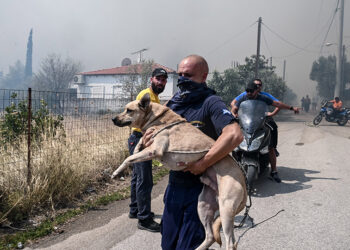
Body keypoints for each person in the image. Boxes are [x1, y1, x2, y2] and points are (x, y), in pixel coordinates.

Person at [143, 55, 243, 249]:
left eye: (188, 75)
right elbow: (157, 130)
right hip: (174, 187)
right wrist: (149, 139)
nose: (182, 79)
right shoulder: (175, 102)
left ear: (203, 76)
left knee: (187, 246)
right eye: (179, 74)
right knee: (168, 244)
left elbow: (234, 135)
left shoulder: (211, 102)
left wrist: (203, 163)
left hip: (200, 190)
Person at [231, 80, 299, 183]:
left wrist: (291, 108)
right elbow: (234, 107)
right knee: (233, 138)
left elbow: (278, 104)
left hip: (263, 121)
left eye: (251, 91)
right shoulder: (243, 97)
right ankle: (233, 166)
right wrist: (234, 114)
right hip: (247, 123)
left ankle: (274, 171)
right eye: (247, 91)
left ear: (257, 90)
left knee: (270, 146)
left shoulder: (264, 97)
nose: (249, 93)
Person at [127, 68, 168, 232]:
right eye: (158, 78)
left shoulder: (155, 97)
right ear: (151, 79)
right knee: (145, 180)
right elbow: (142, 121)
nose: (161, 82)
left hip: (138, 139)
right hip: (140, 140)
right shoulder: (146, 96)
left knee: (137, 177)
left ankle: (135, 210)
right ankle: (144, 219)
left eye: (164, 80)